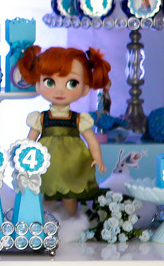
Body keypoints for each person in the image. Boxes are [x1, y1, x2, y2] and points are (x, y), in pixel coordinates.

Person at [16, 46, 111, 217]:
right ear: (38, 85)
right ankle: (44, 222)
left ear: (85, 88)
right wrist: (24, 158)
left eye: (71, 83)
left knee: (70, 196)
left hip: (72, 164)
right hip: (46, 163)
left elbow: (92, 140)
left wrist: (97, 157)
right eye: (50, 82)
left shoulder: (79, 119)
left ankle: (71, 222)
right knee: (46, 195)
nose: (59, 90)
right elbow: (30, 141)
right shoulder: (40, 118)